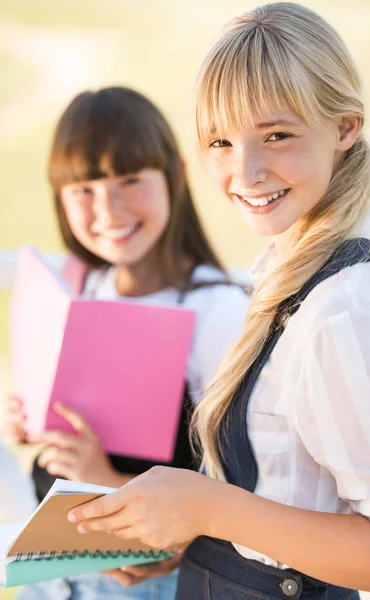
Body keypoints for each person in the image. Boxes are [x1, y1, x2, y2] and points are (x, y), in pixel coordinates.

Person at [67, 4, 370, 599]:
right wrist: (182, 540)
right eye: (220, 141)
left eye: (277, 135)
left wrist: (209, 509)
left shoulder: (344, 308)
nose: (244, 171)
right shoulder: (287, 276)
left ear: (345, 128)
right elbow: (282, 506)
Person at [3, 86, 250, 599]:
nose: (108, 209)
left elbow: (232, 488)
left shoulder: (215, 310)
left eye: (130, 180)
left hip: (145, 580)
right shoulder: (84, 284)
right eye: (84, 190)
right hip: (53, 570)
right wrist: (36, 420)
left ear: (176, 176)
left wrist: (102, 475)